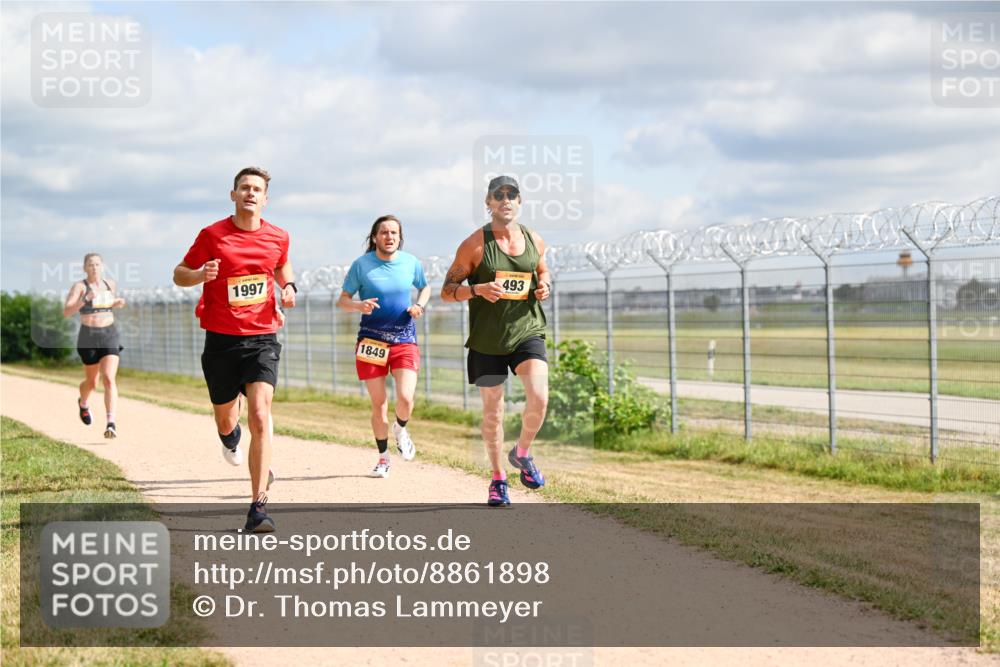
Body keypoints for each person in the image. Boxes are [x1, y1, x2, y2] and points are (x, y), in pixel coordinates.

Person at [173, 166, 295, 533]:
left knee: (260, 414)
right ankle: (230, 437)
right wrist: (199, 276)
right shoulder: (212, 235)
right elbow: (179, 273)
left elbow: (282, 266)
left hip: (262, 338)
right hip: (221, 340)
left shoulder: (278, 236)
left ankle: (258, 508)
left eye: (257, 189)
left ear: (265, 198)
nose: (250, 194)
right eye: (244, 188)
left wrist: (289, 288)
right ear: (234, 194)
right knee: (227, 418)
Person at [440, 175, 551, 507]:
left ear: (520, 201)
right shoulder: (475, 245)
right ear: (488, 203)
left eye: (512, 194)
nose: (506, 199)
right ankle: (498, 478)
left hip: (526, 331)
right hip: (487, 340)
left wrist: (545, 285)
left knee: (540, 397)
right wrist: (477, 289)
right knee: (494, 411)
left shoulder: (534, 239)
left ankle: (522, 452)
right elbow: (447, 292)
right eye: (498, 195)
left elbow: (542, 271)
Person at [339, 215, 430, 478]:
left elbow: (425, 287)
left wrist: (419, 306)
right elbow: (342, 300)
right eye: (384, 232)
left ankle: (401, 429)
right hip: (371, 341)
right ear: (374, 237)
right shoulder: (362, 265)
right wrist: (358, 305)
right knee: (379, 403)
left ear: (399, 237)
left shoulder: (410, 262)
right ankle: (383, 459)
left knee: (406, 397)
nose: (389, 237)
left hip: (404, 338)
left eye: (394, 233)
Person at [63, 253, 126, 439]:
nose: (94, 268)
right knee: (92, 383)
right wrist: (85, 298)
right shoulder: (80, 287)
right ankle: (83, 403)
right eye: (91, 264)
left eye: (97, 264)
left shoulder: (109, 285)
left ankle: (111, 423)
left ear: (102, 266)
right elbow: (67, 311)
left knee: (108, 378)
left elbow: (106, 304)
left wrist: (117, 302)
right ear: (84, 268)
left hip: (109, 334)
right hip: (88, 336)